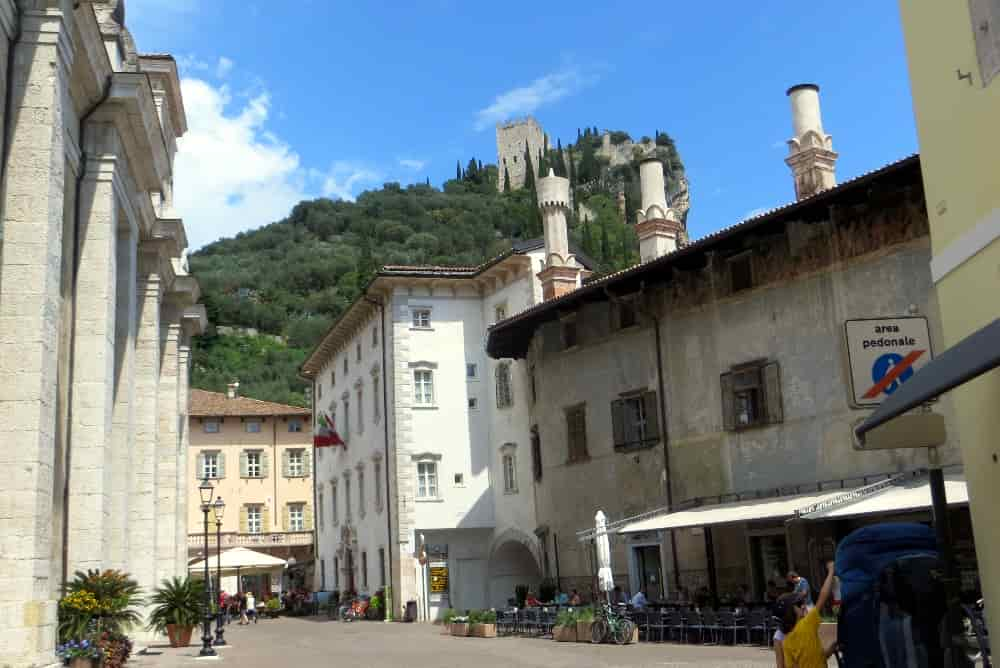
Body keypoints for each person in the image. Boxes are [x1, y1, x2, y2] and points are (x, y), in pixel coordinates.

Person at [778, 561, 837, 668]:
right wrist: (831, 572)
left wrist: (831, 649)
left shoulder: (786, 642)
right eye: (799, 604)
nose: (802, 606)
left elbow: (812, 658)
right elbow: (823, 596)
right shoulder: (807, 624)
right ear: (791, 611)